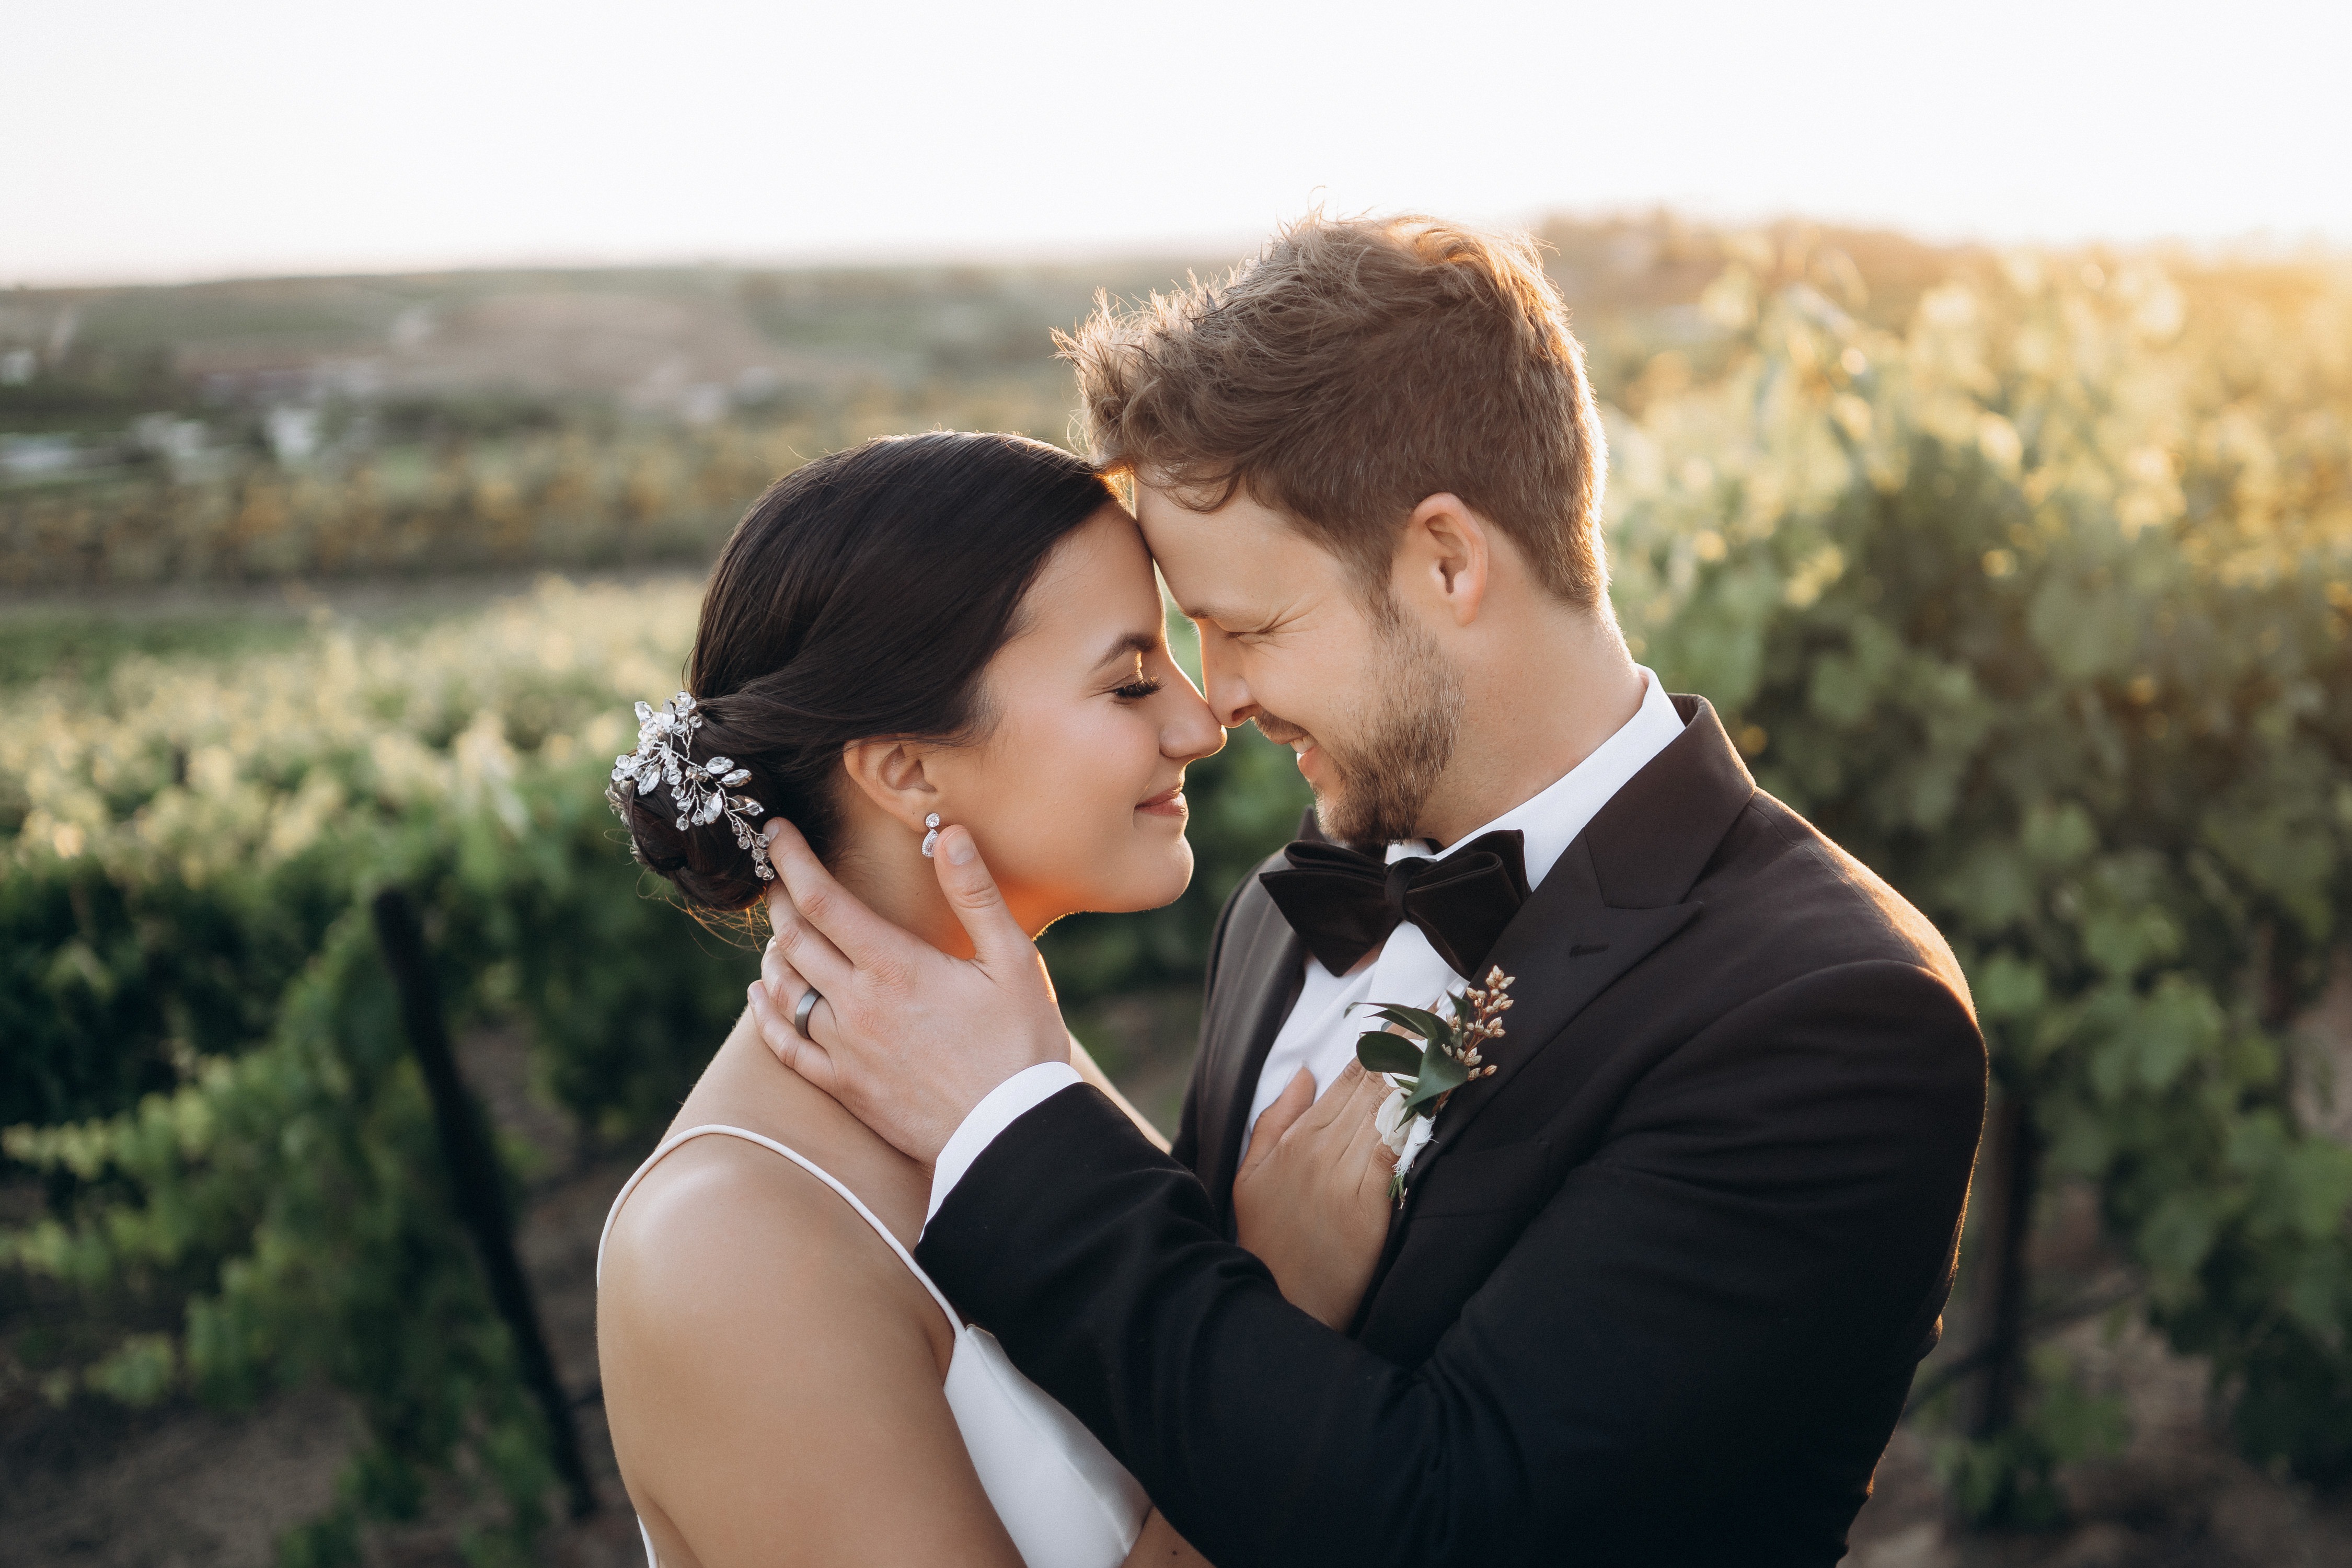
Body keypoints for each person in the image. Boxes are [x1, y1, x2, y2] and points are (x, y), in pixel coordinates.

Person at [747, 216, 1991, 1566]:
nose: (1214, 703)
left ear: (1447, 562)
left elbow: (1453, 1521)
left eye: (1250, 629)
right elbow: (1201, 1415)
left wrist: (1011, 1121)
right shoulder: (1286, 909)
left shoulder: (1831, 1013)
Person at [595, 430, 1388, 1568]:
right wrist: (1289, 1303)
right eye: (1128, 681)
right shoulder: (725, 1250)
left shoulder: (1012, 1058)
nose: (1200, 724)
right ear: (907, 770)